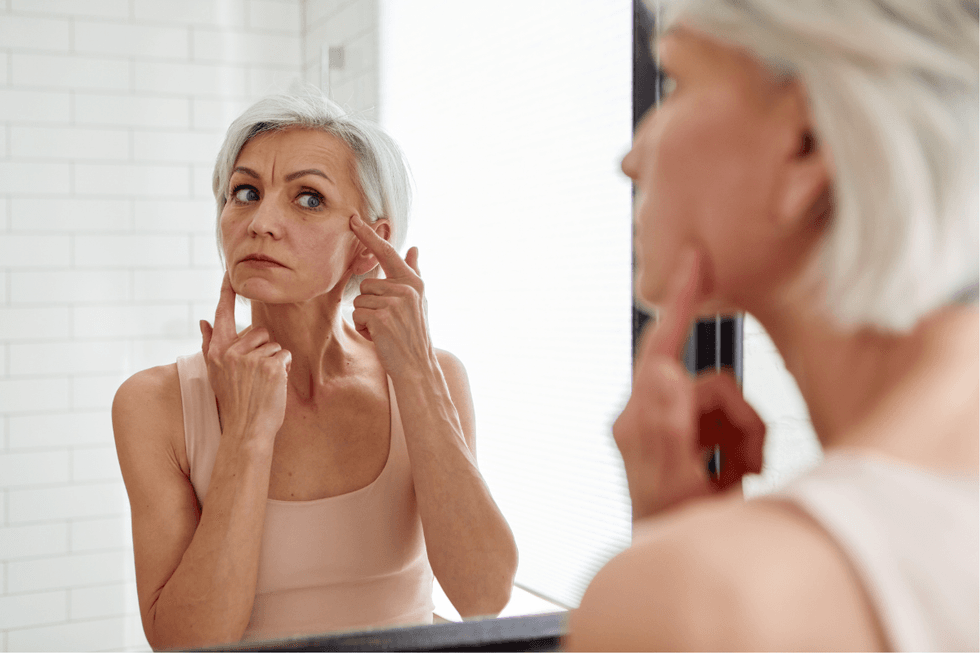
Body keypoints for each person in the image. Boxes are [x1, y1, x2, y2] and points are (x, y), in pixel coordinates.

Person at [567, 0, 978, 650]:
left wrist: (675, 564)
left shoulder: (707, 603)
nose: (632, 158)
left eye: (676, 81)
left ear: (806, 144)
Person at [112, 88, 518, 649]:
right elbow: (186, 644)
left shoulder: (435, 377)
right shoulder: (154, 403)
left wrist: (417, 373)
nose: (261, 222)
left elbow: (484, 596)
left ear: (369, 245)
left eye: (308, 198)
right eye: (246, 193)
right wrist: (247, 435)